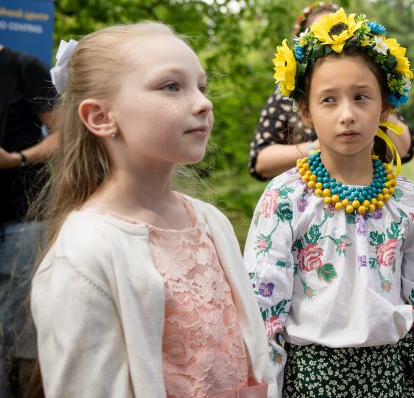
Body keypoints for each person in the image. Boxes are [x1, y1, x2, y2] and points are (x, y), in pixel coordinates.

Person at [29, 22, 275, 397]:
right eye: (171, 86)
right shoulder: (84, 255)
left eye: (201, 86)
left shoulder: (210, 222)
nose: (204, 102)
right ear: (100, 117)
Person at [243, 9, 414, 397]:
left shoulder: (404, 197)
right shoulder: (286, 196)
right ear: (307, 111)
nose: (347, 115)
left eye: (362, 97)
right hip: (312, 382)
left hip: (393, 377)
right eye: (328, 100)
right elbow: (264, 307)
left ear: (386, 107)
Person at [249, 2, 414, 181]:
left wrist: (375, 91)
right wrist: (317, 147)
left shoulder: (368, 85)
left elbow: (404, 149)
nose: (329, 44)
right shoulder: (283, 95)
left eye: (335, 30)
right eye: (318, 35)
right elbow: (260, 161)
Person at [0, 44, 58, 396]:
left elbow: (65, 135)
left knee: (18, 335)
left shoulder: (24, 67)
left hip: (21, 218)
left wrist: (19, 158)